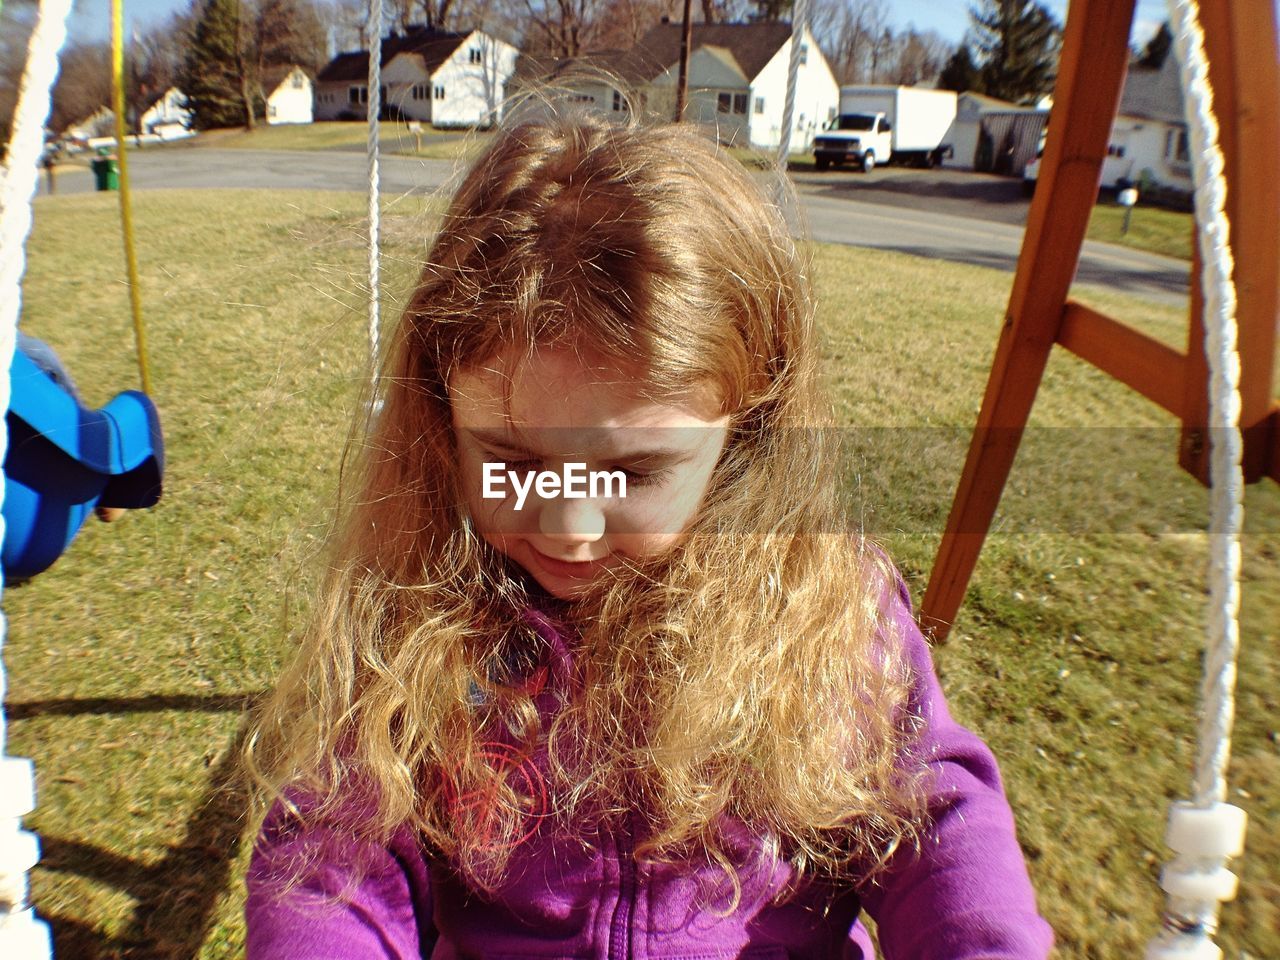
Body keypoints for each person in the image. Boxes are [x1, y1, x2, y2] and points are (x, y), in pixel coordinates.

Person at [242, 110, 1054, 959]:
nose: (569, 524)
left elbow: (932, 812)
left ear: (746, 435)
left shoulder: (825, 612)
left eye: (631, 472)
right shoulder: (426, 610)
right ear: (443, 419)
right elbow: (336, 855)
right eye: (511, 456)